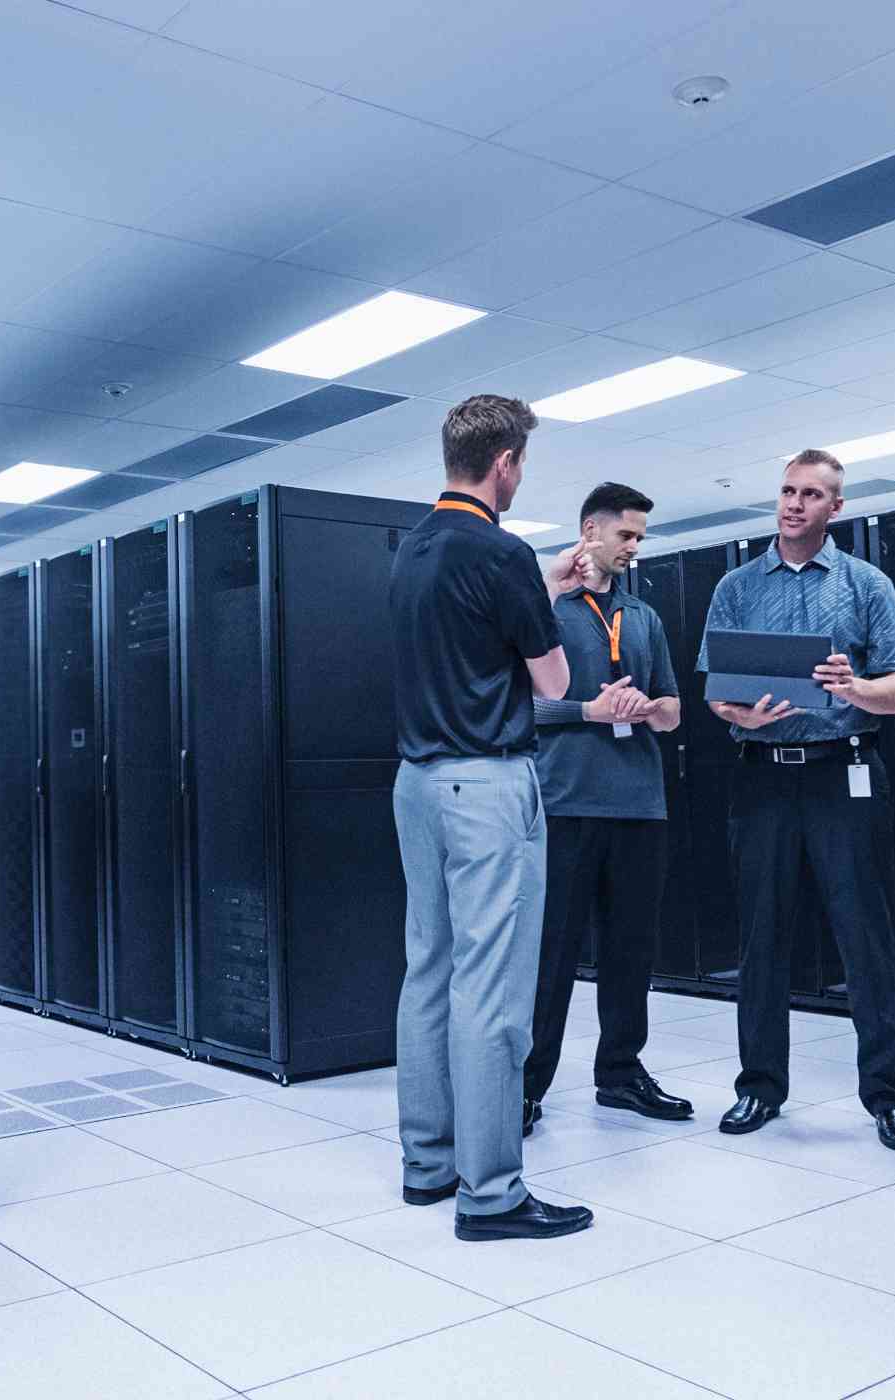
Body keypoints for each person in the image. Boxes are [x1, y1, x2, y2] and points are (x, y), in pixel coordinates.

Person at [386, 393, 595, 1243]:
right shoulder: (501, 551)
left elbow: (468, 624)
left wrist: (537, 587)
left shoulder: (413, 549)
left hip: (416, 786)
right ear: (505, 462)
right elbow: (551, 684)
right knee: (493, 988)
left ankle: (429, 1166)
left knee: (428, 970)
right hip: (487, 788)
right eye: (522, 465)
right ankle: (494, 1193)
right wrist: (542, 597)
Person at [699, 449, 895, 1149]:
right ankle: (759, 1089)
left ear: (836, 508)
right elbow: (717, 693)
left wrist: (852, 687)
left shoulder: (867, 585)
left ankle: (889, 1098)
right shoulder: (736, 585)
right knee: (761, 936)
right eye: (789, 490)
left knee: (866, 937)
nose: (795, 504)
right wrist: (743, 717)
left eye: (812, 494)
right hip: (763, 774)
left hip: (841, 773)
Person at [520, 482, 692, 1135]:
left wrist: (643, 708)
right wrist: (588, 710)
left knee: (631, 952)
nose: (635, 547)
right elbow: (517, 706)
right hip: (564, 805)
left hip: (640, 808)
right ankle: (526, 1086)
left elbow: (674, 710)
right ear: (590, 530)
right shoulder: (547, 612)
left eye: (641, 537)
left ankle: (620, 1074)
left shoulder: (642, 617)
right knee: (552, 955)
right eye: (627, 535)